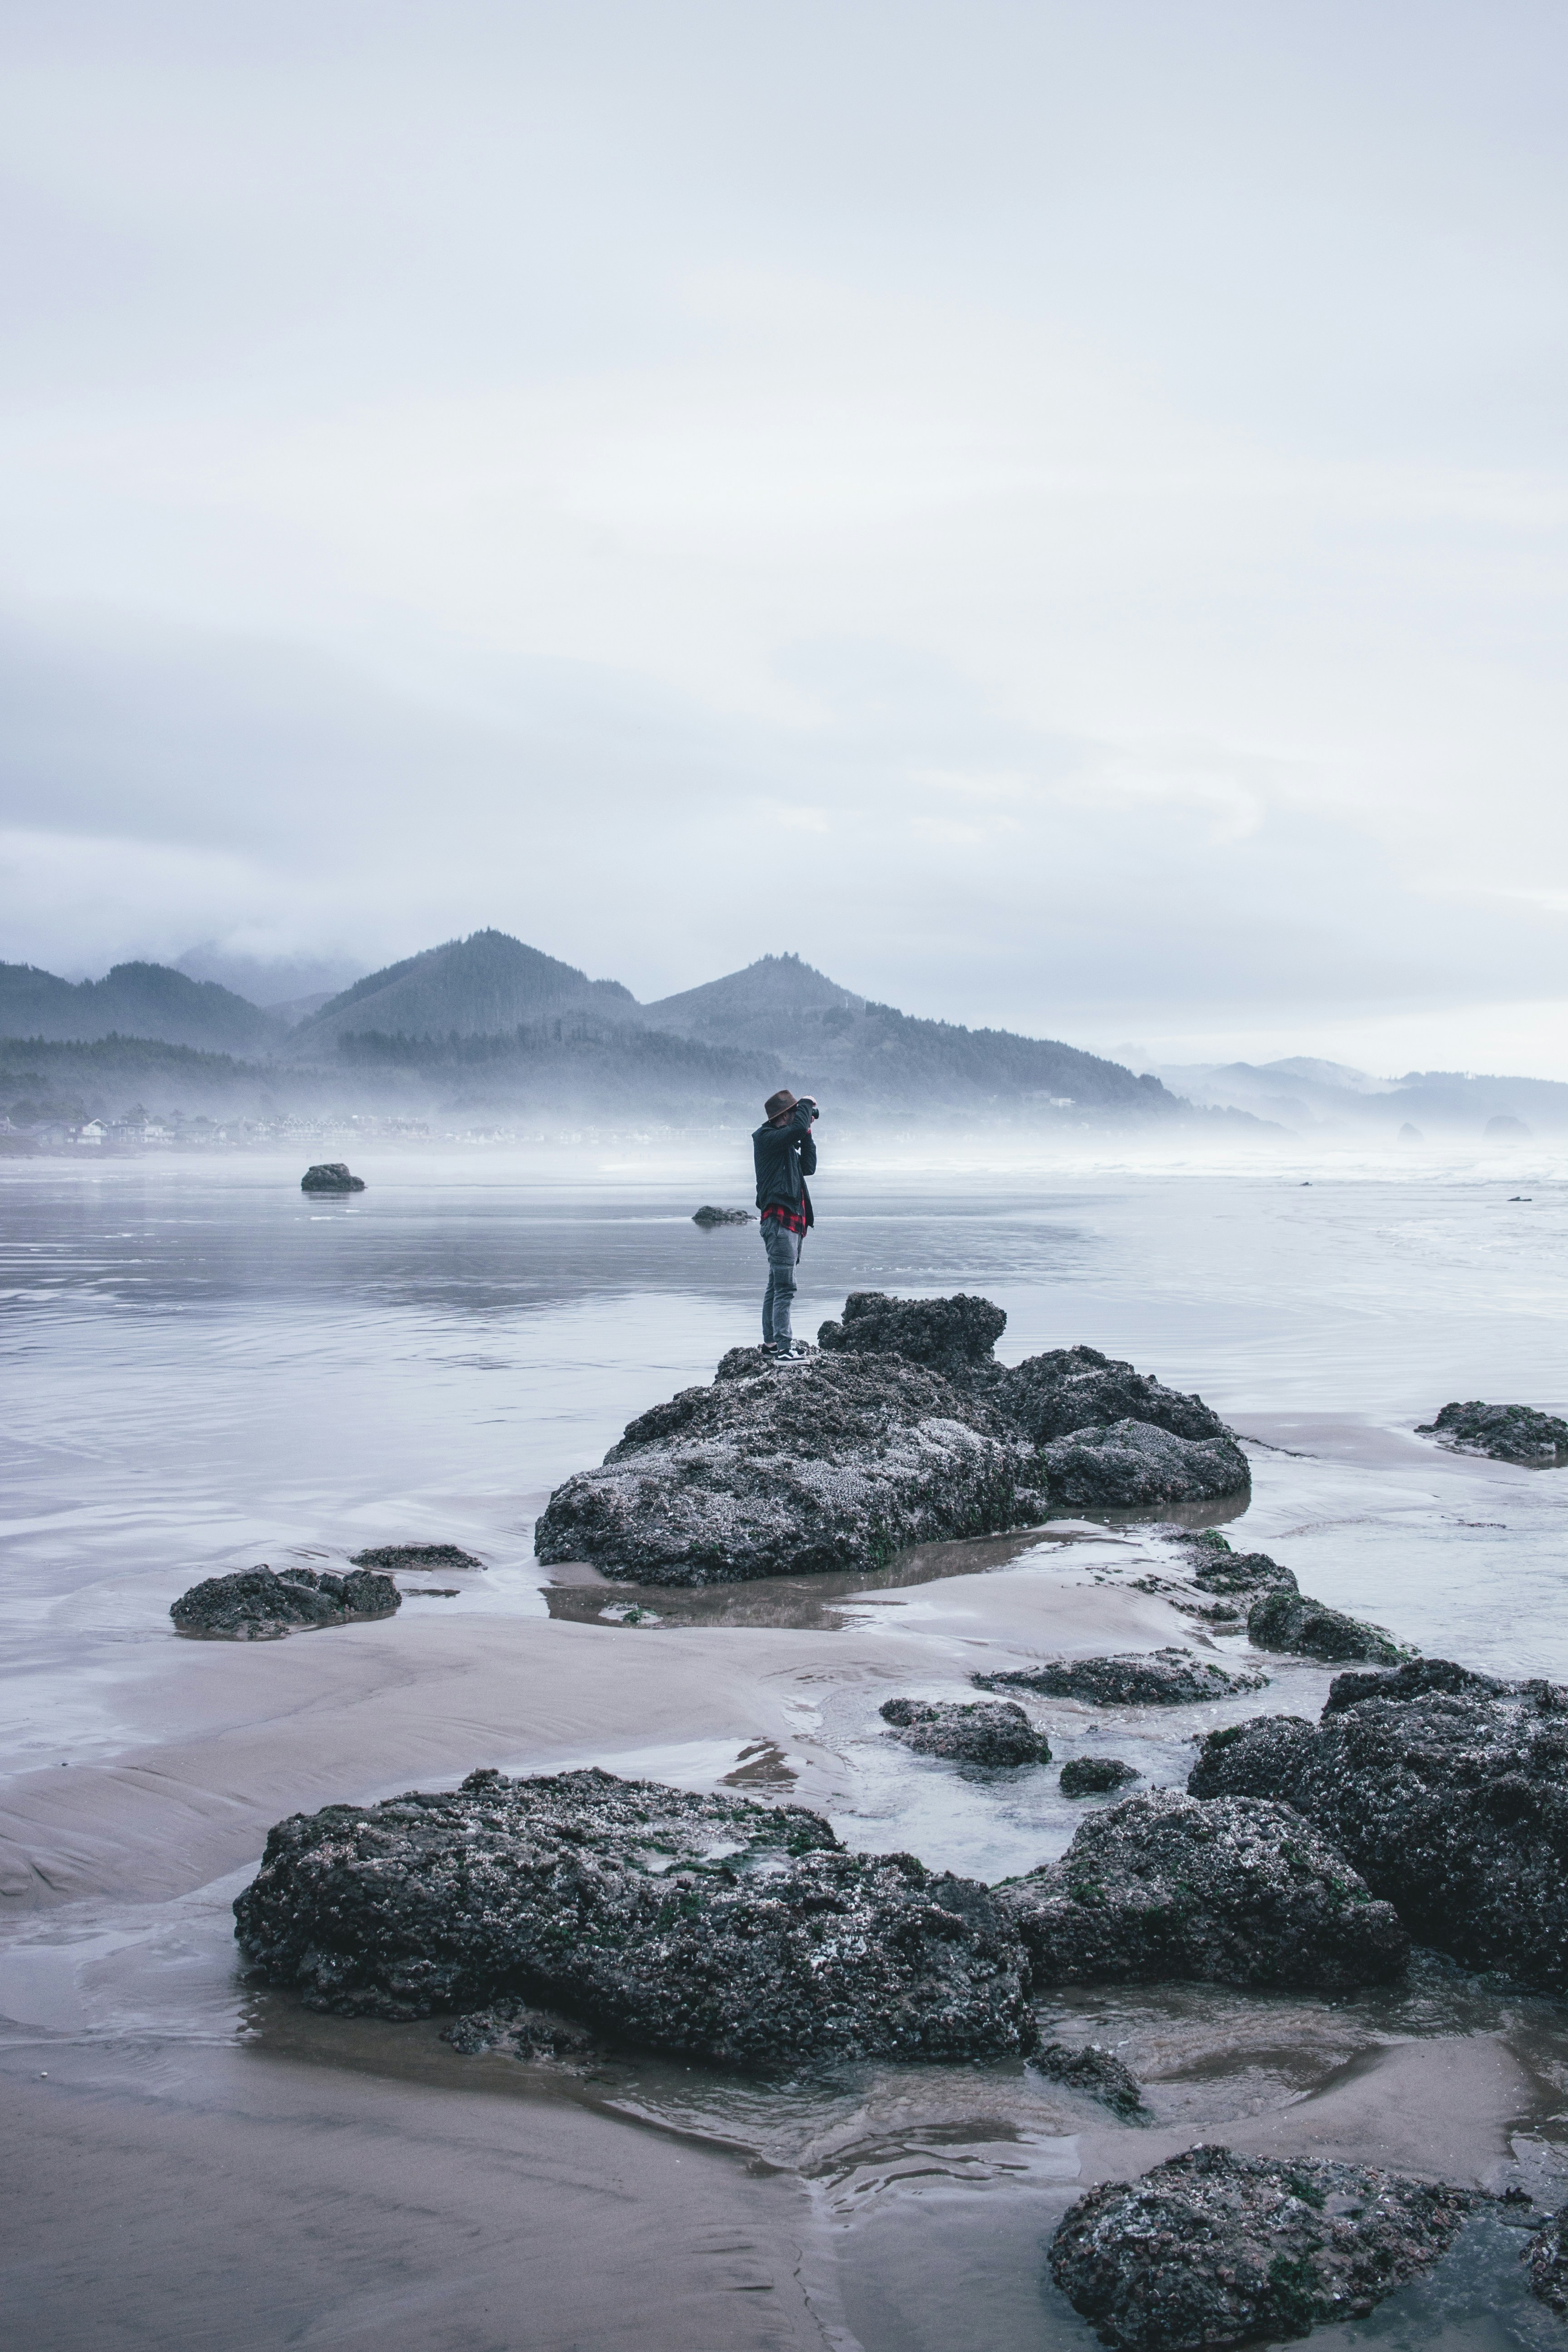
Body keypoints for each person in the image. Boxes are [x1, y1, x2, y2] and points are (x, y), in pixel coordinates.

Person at [752, 1087, 818, 1359]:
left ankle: (771, 1345)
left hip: (789, 1223)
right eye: (795, 1112)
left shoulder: (785, 1145)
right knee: (785, 1288)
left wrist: (809, 1134)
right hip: (780, 1223)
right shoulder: (767, 1138)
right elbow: (796, 1128)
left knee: (776, 1286)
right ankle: (783, 1349)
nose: (801, 1116)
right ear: (785, 1115)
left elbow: (809, 1167)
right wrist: (806, 1103)